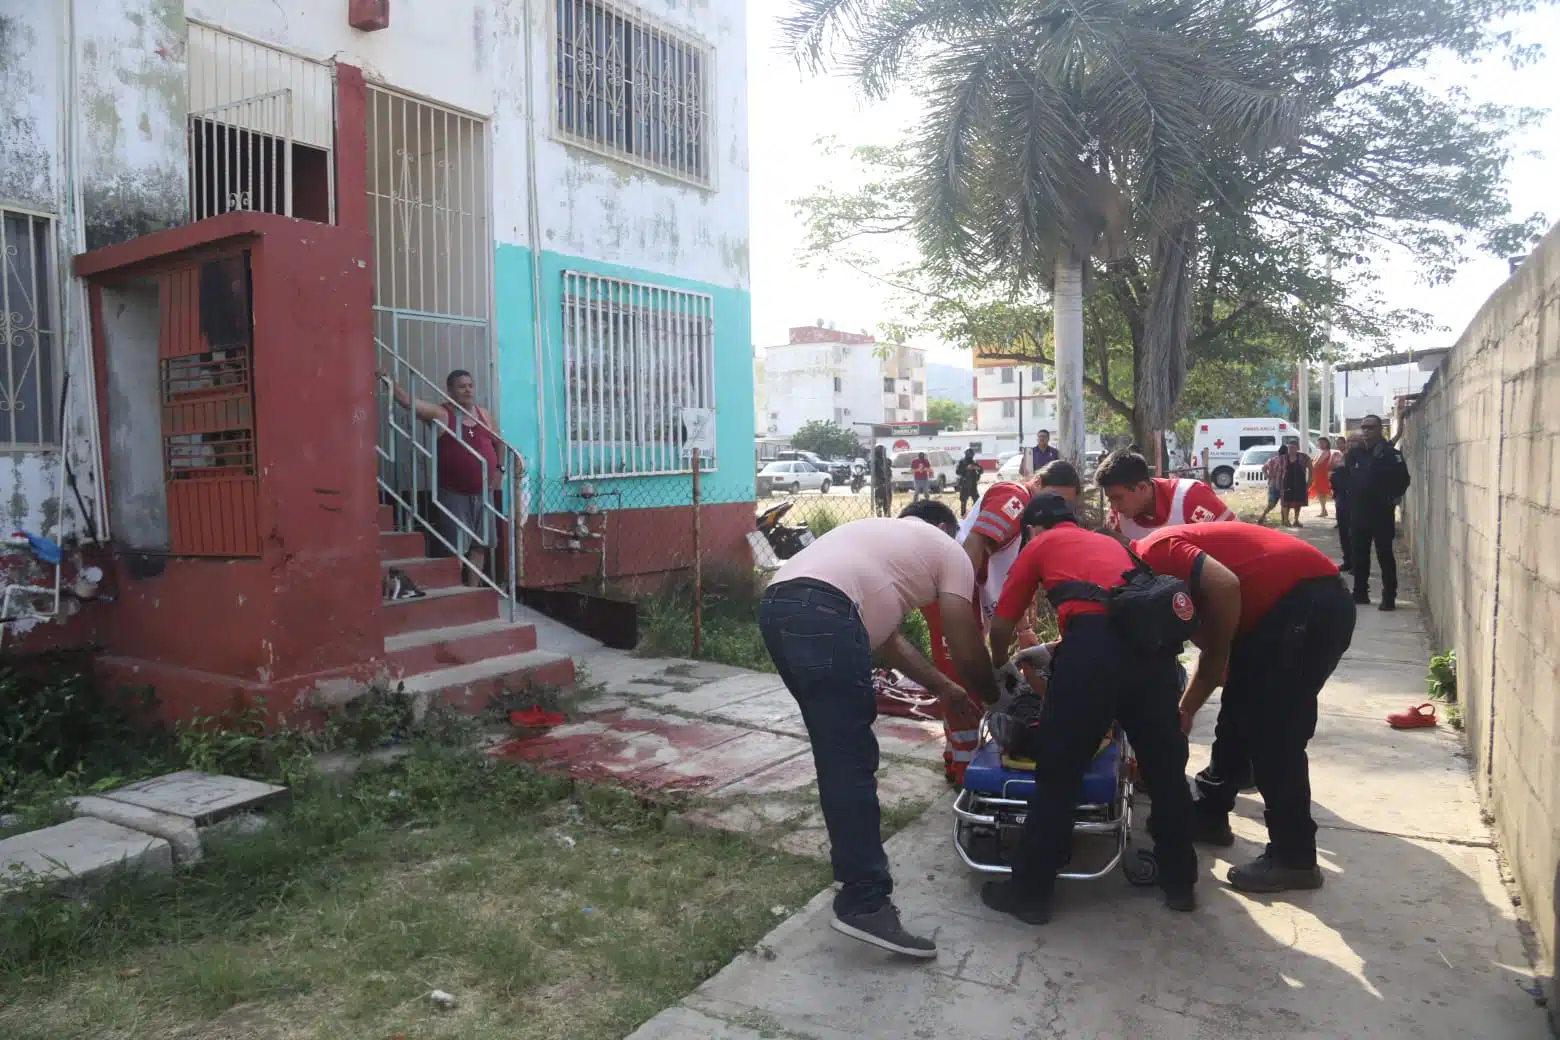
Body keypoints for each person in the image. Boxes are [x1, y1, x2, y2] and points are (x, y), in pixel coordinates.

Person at [759, 500, 1001, 957]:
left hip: (779, 607)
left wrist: (947, 689)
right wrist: (994, 699)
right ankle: (864, 901)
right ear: (946, 529)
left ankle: (855, 884)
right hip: (825, 613)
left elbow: (888, 641)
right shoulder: (949, 551)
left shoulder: (879, 541)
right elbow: (962, 638)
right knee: (850, 761)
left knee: (837, 754)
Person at [978, 493, 1198, 924]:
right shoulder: (1111, 542)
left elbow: (1003, 621)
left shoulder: (1040, 545)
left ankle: (1030, 894)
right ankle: (1180, 882)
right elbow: (1116, 608)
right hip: (1150, 653)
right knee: (1165, 768)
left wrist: (999, 663)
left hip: (1091, 656)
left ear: (1032, 529)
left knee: (1058, 770)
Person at [1132, 522, 1357, 893]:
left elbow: (1226, 586)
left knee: (1275, 734)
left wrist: (1216, 661)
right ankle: (1209, 813)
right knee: (1238, 713)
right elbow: (1208, 651)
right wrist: (1183, 711)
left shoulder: (1158, 552)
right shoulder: (1158, 582)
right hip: (1282, 611)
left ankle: (1295, 857)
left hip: (1308, 605)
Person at [922, 460, 1081, 784]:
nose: (1057, 509)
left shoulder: (1030, 521)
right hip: (953, 595)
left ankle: (958, 756)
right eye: (1055, 497)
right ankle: (965, 769)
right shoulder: (1015, 497)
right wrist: (957, 603)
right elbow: (977, 543)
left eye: (1065, 504)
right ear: (1037, 482)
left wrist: (1020, 628)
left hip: (962, 596)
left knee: (967, 679)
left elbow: (1007, 579)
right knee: (962, 680)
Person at [383, 368, 505, 585]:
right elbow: (407, 401)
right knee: (456, 548)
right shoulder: (442, 413)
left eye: (470, 385)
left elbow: (500, 443)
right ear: (450, 390)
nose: (468, 390)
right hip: (454, 493)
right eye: (462, 386)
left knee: (480, 545)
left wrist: (500, 470)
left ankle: (472, 592)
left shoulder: (483, 414)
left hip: (483, 492)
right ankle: (457, 589)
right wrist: (388, 380)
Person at [1343, 415, 1411, 610]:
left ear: (1380, 429)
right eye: (1363, 427)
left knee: (1384, 555)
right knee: (1359, 555)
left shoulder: (1390, 454)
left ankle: (1389, 596)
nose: (1366, 431)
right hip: (1358, 513)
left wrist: (1392, 497)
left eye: (1370, 427)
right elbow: (1346, 476)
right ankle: (1360, 593)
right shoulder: (1354, 454)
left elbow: (1403, 480)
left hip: (1381, 513)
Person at [1096, 450, 1234, 538]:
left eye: (1118, 498)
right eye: (1110, 499)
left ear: (1142, 488)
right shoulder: (1118, 517)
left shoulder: (1191, 497)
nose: (1114, 507)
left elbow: (1236, 541)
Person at [1331, 432, 1360, 571]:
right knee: (1344, 533)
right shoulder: (1345, 457)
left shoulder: (1365, 457)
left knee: (1355, 534)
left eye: (1355, 441)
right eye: (1349, 441)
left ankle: (1357, 564)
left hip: (1358, 502)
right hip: (1342, 500)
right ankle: (1347, 561)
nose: (1351, 444)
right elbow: (1336, 475)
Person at [1279, 440, 1312, 528]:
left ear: (1298, 448)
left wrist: (1310, 481)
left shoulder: (1304, 457)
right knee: (1286, 502)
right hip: (1286, 483)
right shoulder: (1283, 458)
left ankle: (1296, 520)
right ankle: (1286, 520)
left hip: (1300, 483)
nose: (1290, 449)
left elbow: (1311, 469)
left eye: (1293, 447)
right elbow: (1279, 471)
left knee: (1298, 502)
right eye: (1289, 447)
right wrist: (1278, 483)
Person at [1310, 437, 1341, 519]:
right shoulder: (1321, 452)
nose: (1320, 444)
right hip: (1318, 474)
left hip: (1321, 474)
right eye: (1319, 443)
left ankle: (1324, 510)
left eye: (1322, 443)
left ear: (1327, 443)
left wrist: (1312, 465)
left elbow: (1317, 463)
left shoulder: (1325, 452)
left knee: (1322, 492)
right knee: (1320, 492)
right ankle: (1323, 510)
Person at [955, 448, 982, 518]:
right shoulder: (962, 462)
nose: (970, 456)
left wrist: (977, 468)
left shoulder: (974, 462)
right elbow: (957, 471)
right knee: (963, 501)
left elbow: (981, 470)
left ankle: (976, 514)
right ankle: (963, 515)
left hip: (973, 485)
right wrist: (966, 468)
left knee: (977, 501)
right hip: (964, 485)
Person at [870, 445, 893, 517]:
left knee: (885, 504)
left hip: (884, 485)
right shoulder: (875, 462)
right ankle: (883, 516)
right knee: (881, 505)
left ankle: (885, 516)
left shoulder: (886, 461)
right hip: (880, 485)